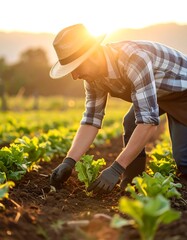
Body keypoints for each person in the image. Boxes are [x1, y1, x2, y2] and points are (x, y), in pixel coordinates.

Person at [49, 23, 187, 194]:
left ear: (93, 55)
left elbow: (149, 123)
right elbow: (91, 120)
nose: (75, 76)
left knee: (183, 160)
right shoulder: (93, 78)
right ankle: (132, 185)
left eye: (76, 67)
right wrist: (69, 162)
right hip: (160, 94)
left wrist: (116, 169)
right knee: (131, 122)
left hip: (183, 93)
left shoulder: (133, 59)